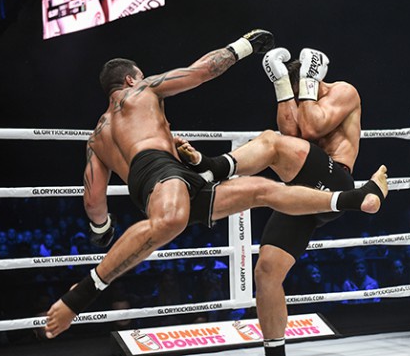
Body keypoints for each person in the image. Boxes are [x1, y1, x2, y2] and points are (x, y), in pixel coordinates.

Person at [45, 30, 387, 338]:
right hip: (165, 172)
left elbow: (93, 201)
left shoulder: (95, 139)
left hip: (164, 182)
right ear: (131, 78)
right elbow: (203, 71)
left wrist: (102, 229)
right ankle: (81, 295)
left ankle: (348, 196)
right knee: (213, 240)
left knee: (261, 190)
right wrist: (243, 46)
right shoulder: (143, 88)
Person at [176, 47, 378, 356]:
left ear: (314, 81)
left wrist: (308, 81)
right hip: (301, 193)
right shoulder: (301, 97)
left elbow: (311, 128)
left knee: (269, 140)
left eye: (301, 93)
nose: (298, 102)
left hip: (335, 180)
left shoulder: (343, 91)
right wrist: (281, 86)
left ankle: (211, 167)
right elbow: (292, 134)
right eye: (294, 96)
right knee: (266, 272)